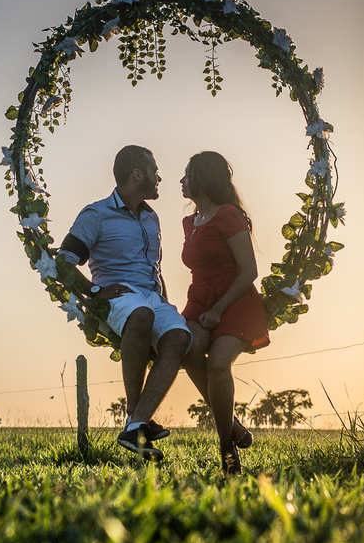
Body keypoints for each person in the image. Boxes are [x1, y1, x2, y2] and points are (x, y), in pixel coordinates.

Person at [59, 145, 191, 461]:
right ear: (136, 174)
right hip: (119, 298)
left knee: (179, 336)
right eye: (154, 170)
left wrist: (167, 306)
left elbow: (155, 270)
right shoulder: (97, 214)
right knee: (141, 313)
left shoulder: (151, 217)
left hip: (151, 298)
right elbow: (64, 261)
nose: (159, 177)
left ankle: (137, 424)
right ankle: (135, 412)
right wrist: (92, 293)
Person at [179, 151, 270, 474]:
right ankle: (232, 424)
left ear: (203, 179)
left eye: (188, 175)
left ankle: (225, 447)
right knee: (187, 350)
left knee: (218, 365)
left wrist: (218, 309)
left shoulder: (229, 215)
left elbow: (249, 270)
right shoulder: (190, 222)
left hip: (234, 300)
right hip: (199, 298)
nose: (182, 181)